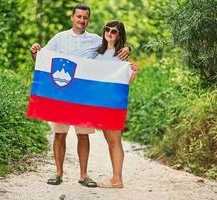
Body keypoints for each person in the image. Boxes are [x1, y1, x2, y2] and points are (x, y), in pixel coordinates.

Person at [30, 4, 131, 187]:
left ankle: (84, 175)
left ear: (88, 20)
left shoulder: (94, 40)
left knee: (83, 136)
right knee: (59, 134)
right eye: (79, 17)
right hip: (62, 95)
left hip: (84, 98)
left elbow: (112, 48)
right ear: (72, 17)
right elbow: (42, 60)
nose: (81, 20)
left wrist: (128, 48)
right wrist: (34, 52)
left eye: (85, 17)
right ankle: (58, 173)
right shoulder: (59, 38)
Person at [94, 20, 138, 188]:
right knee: (109, 139)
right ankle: (115, 177)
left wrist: (133, 71)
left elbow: (126, 80)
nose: (110, 33)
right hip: (100, 103)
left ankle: (117, 179)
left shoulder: (122, 54)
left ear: (119, 35)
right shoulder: (97, 53)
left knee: (115, 140)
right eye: (107, 30)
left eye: (114, 31)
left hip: (113, 103)